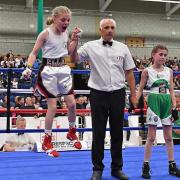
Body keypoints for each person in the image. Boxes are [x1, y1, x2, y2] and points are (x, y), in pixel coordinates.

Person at [73, 18, 137, 180]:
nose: (109, 30)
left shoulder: (123, 48)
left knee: (117, 132)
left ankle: (117, 168)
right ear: (100, 30)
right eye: (106, 27)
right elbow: (73, 59)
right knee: (98, 132)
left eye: (112, 27)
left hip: (118, 94)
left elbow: (129, 73)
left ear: (114, 30)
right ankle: (97, 168)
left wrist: (134, 94)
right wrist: (74, 40)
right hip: (98, 94)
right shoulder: (90, 46)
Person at [22, 6, 82, 157]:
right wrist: (28, 67)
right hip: (48, 70)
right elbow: (34, 52)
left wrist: (75, 39)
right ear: (55, 19)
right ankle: (47, 141)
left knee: (72, 104)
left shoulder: (66, 33)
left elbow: (69, 51)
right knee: (53, 107)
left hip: (63, 68)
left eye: (68, 20)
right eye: (63, 19)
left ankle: (72, 132)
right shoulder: (45, 33)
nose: (66, 22)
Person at [136, 44, 180, 178]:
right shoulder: (147, 71)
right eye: (160, 54)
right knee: (151, 137)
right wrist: (134, 101)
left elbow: (172, 89)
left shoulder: (169, 71)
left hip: (166, 102)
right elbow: (140, 88)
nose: (163, 57)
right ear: (153, 55)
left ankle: (172, 165)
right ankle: (146, 165)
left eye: (165, 55)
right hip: (154, 101)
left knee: (168, 137)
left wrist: (174, 107)